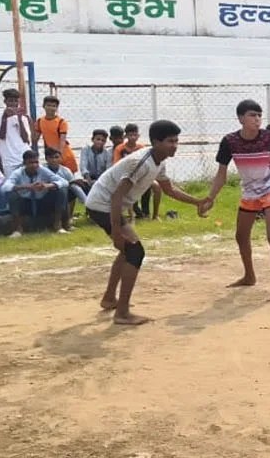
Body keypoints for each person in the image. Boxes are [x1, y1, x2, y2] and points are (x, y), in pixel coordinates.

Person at [84, 120, 213, 325]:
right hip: (103, 205)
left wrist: (197, 202)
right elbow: (117, 196)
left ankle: (109, 299)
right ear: (156, 142)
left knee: (128, 250)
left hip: (107, 205)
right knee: (135, 252)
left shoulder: (159, 160)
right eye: (170, 141)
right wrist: (116, 231)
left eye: (176, 141)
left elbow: (169, 190)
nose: (175, 145)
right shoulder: (141, 162)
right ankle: (122, 313)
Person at [206, 99, 270, 302]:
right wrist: (210, 198)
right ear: (241, 118)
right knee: (241, 235)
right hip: (249, 191)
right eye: (252, 115)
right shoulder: (229, 141)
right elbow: (221, 174)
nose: (257, 119)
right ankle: (249, 276)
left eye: (259, 115)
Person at [2, 149, 68, 237]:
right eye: (31, 163)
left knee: (61, 190)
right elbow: (5, 187)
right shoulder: (18, 172)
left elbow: (64, 182)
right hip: (26, 203)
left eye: (36, 162)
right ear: (24, 163)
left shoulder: (42, 170)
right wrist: (28, 187)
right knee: (12, 195)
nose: (34, 165)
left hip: (42, 202)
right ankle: (17, 229)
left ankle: (58, 225)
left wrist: (47, 185)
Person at [45, 146, 88, 232]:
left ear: (61, 158)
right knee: (62, 191)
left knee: (73, 188)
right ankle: (59, 224)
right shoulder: (43, 170)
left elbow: (75, 187)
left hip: (62, 196)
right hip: (46, 196)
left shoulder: (66, 170)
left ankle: (68, 220)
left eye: (56, 157)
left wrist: (86, 202)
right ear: (46, 159)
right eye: (51, 158)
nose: (54, 160)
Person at [33, 96, 79, 174]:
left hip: (64, 155)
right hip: (52, 156)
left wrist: (59, 156)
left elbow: (62, 140)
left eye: (53, 106)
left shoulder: (61, 122)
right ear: (43, 106)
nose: (51, 108)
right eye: (48, 105)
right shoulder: (40, 121)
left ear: (57, 108)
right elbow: (34, 139)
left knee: (69, 177)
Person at [0, 88, 32, 175]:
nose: (13, 104)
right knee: (11, 181)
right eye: (10, 101)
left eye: (15, 101)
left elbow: (25, 139)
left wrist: (20, 119)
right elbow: (1, 136)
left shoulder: (23, 117)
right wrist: (5, 118)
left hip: (23, 155)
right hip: (8, 158)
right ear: (5, 101)